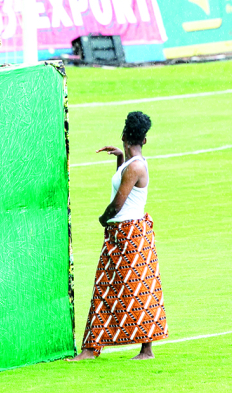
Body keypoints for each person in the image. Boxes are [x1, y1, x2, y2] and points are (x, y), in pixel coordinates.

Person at [69, 111, 167, 361]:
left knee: (124, 289)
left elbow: (118, 204)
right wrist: (120, 157)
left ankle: (124, 350)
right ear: (144, 140)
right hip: (128, 233)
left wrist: (103, 219)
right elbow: (124, 186)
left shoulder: (135, 167)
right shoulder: (132, 162)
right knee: (134, 289)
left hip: (127, 233)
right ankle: (130, 349)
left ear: (124, 134)